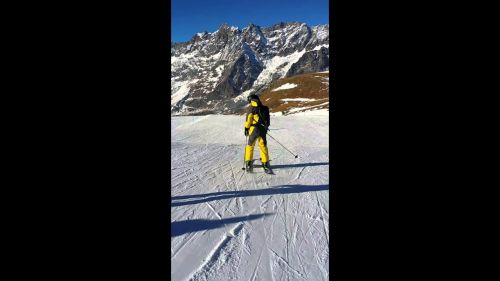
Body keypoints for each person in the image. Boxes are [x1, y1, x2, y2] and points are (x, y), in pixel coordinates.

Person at [244, 94, 271, 172]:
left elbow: (248, 120)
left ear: (250, 100)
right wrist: (265, 128)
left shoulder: (251, 109)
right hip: (263, 130)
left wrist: (246, 129)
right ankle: (265, 162)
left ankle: (248, 161)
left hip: (254, 130)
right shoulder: (265, 108)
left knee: (250, 145)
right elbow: (267, 120)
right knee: (263, 145)